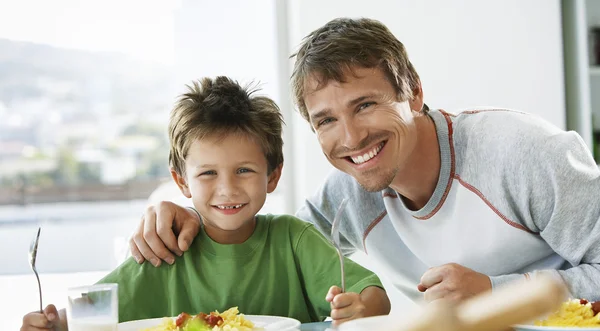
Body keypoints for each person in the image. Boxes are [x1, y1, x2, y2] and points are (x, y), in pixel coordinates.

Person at [129, 17, 600, 305]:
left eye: (366, 105)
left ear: (413, 93)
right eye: (326, 120)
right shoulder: (347, 200)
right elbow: (268, 246)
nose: (352, 138)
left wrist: (498, 293)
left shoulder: (521, 153)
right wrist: (186, 214)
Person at [20, 76, 390, 331]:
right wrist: (53, 330)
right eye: (208, 173)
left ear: (273, 175)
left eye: (244, 170)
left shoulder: (294, 240)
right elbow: (93, 312)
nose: (227, 189)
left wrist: (360, 308)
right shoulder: (164, 250)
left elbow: (372, 295)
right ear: (181, 181)